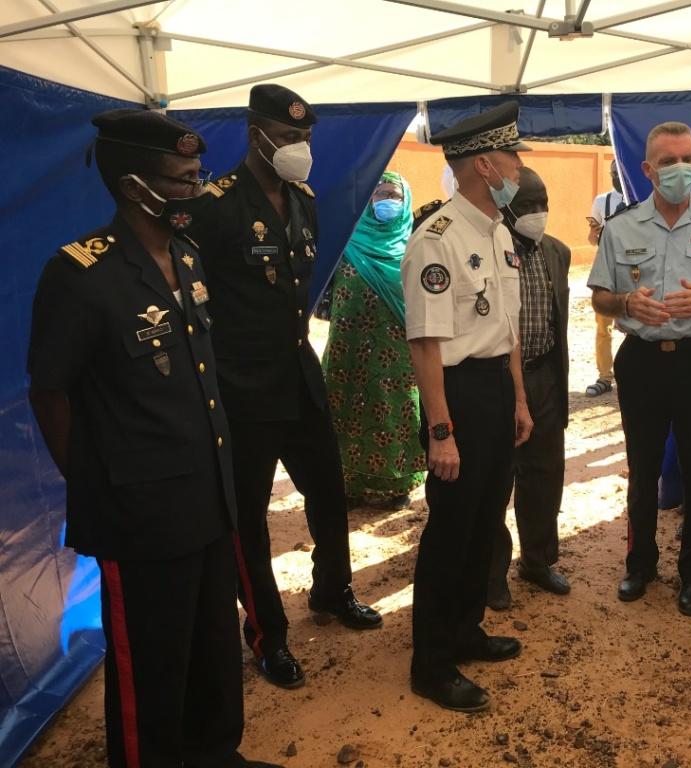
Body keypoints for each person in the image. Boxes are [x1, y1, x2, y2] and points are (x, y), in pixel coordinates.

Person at [27, 109, 280, 768]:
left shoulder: (189, 256)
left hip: (206, 496)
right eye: (182, 179)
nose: (196, 190)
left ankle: (215, 754)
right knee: (152, 671)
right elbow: (49, 392)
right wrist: (92, 480)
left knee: (212, 649)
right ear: (135, 185)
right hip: (139, 516)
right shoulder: (82, 275)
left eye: (198, 175)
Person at [184, 84, 381, 691]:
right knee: (251, 518)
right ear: (256, 134)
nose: (301, 148)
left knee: (328, 490)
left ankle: (332, 591)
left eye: (306, 139)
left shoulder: (303, 201)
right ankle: (268, 636)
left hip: (299, 375)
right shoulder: (214, 207)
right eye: (291, 137)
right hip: (243, 389)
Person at [588, 121, 691, 616]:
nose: (680, 169)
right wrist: (626, 303)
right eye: (668, 161)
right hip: (641, 362)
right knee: (641, 472)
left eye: (688, 160)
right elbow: (599, 297)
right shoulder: (621, 228)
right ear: (647, 169)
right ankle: (639, 566)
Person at [401, 102, 534, 712]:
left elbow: (504, 330)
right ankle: (430, 661)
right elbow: (426, 344)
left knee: (485, 521)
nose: (518, 168)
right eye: (511, 157)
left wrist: (519, 399)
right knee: (450, 530)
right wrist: (441, 430)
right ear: (485, 163)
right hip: (455, 395)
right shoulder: (437, 240)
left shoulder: (499, 231)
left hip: (495, 391)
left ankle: (465, 629)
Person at [487, 166, 573, 610]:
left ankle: (538, 561)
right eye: (527, 207)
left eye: (543, 206)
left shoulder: (557, 252)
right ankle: (492, 572)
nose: (538, 214)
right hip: (499, 379)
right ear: (505, 208)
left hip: (544, 377)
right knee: (498, 477)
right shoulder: (489, 250)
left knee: (544, 475)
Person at [321, 172, 426, 509]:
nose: (386, 201)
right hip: (347, 352)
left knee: (396, 414)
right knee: (346, 413)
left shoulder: (416, 244)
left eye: (393, 194)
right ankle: (348, 484)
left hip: (397, 355)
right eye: (379, 194)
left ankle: (397, 485)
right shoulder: (346, 242)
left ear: (406, 199)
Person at [585, 159, 626, 397]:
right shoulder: (603, 201)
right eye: (613, 173)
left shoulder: (639, 197)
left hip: (632, 269)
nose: (616, 177)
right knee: (603, 327)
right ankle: (604, 376)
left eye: (619, 172)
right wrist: (596, 235)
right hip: (606, 270)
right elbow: (591, 239)